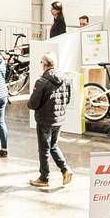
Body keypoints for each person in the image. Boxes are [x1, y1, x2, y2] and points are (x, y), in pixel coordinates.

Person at [29, 57, 71, 189]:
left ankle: (44, 178)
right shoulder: (65, 79)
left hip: (44, 120)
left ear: (44, 65)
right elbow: (68, 99)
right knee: (53, 146)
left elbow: (33, 104)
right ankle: (65, 169)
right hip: (59, 119)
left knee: (44, 150)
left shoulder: (42, 82)